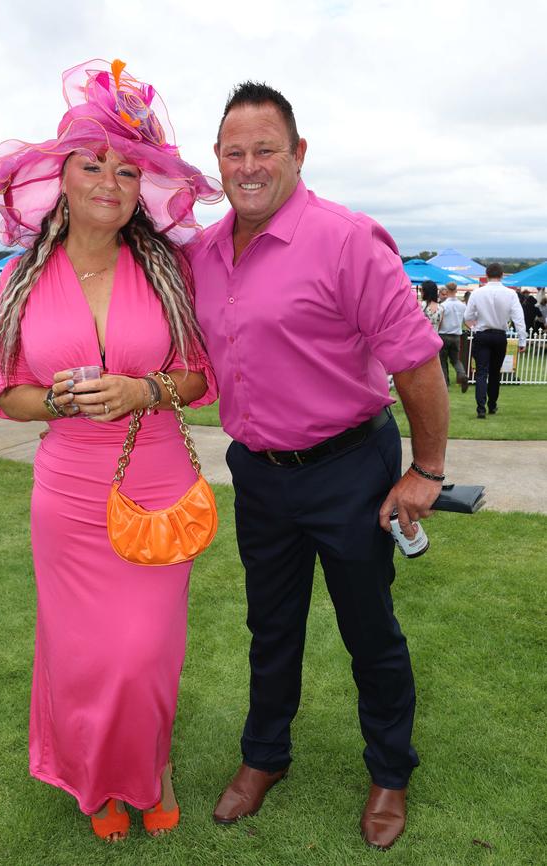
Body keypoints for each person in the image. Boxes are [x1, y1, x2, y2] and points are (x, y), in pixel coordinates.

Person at [190, 81, 448, 851]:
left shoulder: (345, 239)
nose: (249, 165)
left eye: (265, 149)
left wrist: (426, 469)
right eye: (234, 152)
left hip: (349, 468)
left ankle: (390, 771)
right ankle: (264, 757)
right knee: (270, 627)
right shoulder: (201, 251)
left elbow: (418, 362)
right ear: (217, 162)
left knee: (369, 628)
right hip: (259, 472)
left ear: (298, 154)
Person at [0, 57, 222, 842]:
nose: (109, 181)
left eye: (126, 168)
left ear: (141, 185)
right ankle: (99, 785)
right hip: (69, 500)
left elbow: (197, 378)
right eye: (93, 164)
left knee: (145, 655)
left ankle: (152, 771)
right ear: (61, 175)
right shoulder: (22, 275)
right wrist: (58, 400)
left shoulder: (165, 266)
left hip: (156, 486)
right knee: (83, 657)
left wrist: (142, 390)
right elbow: (6, 393)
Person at [464, 263, 526, 418]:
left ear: (486, 274)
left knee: (481, 372)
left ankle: (480, 409)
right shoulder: (510, 294)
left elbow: (467, 317)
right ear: (502, 274)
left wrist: (474, 327)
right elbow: (519, 319)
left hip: (482, 334)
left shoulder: (477, 293)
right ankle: (492, 405)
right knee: (494, 373)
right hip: (499, 336)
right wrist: (522, 340)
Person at [438, 282, 469, 390]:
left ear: (446, 290)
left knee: (442, 360)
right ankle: (462, 374)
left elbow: (440, 321)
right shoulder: (462, 306)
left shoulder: (443, 305)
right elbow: (466, 322)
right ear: (456, 291)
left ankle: (445, 383)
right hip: (456, 336)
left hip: (443, 335)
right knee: (455, 360)